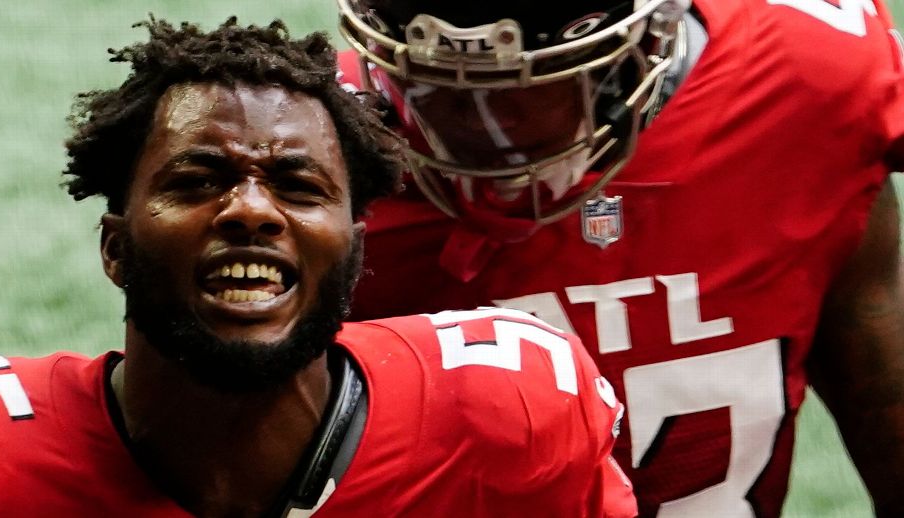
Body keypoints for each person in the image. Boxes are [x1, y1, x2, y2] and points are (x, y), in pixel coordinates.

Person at [0, 18, 636, 518]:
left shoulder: (512, 410)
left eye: (298, 185)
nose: (250, 210)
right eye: (198, 181)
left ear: (356, 247)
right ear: (115, 248)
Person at [334, 0, 904, 515]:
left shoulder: (798, 83)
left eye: (530, 83)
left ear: (656, 29)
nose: (489, 128)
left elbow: (884, 404)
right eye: (436, 81)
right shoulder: (306, 173)